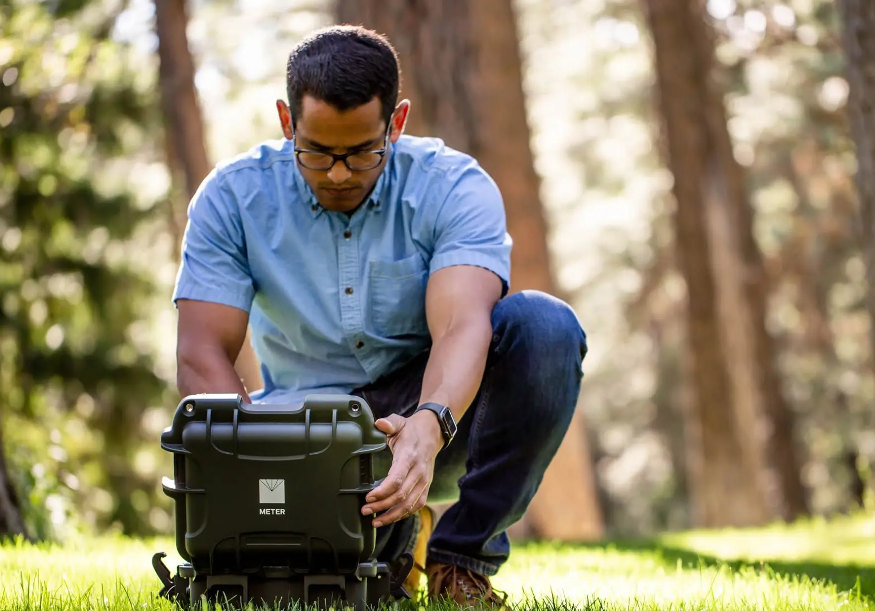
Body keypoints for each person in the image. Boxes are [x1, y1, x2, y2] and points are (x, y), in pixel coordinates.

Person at [172, 24, 588, 608]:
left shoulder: (453, 187)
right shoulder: (231, 198)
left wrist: (429, 422)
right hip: (307, 434)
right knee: (334, 588)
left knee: (545, 327)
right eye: (318, 152)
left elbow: (462, 326)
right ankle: (400, 539)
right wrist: (246, 461)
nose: (339, 173)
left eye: (362, 152)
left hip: (434, 417)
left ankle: (459, 561)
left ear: (397, 123)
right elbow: (202, 352)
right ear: (287, 122)